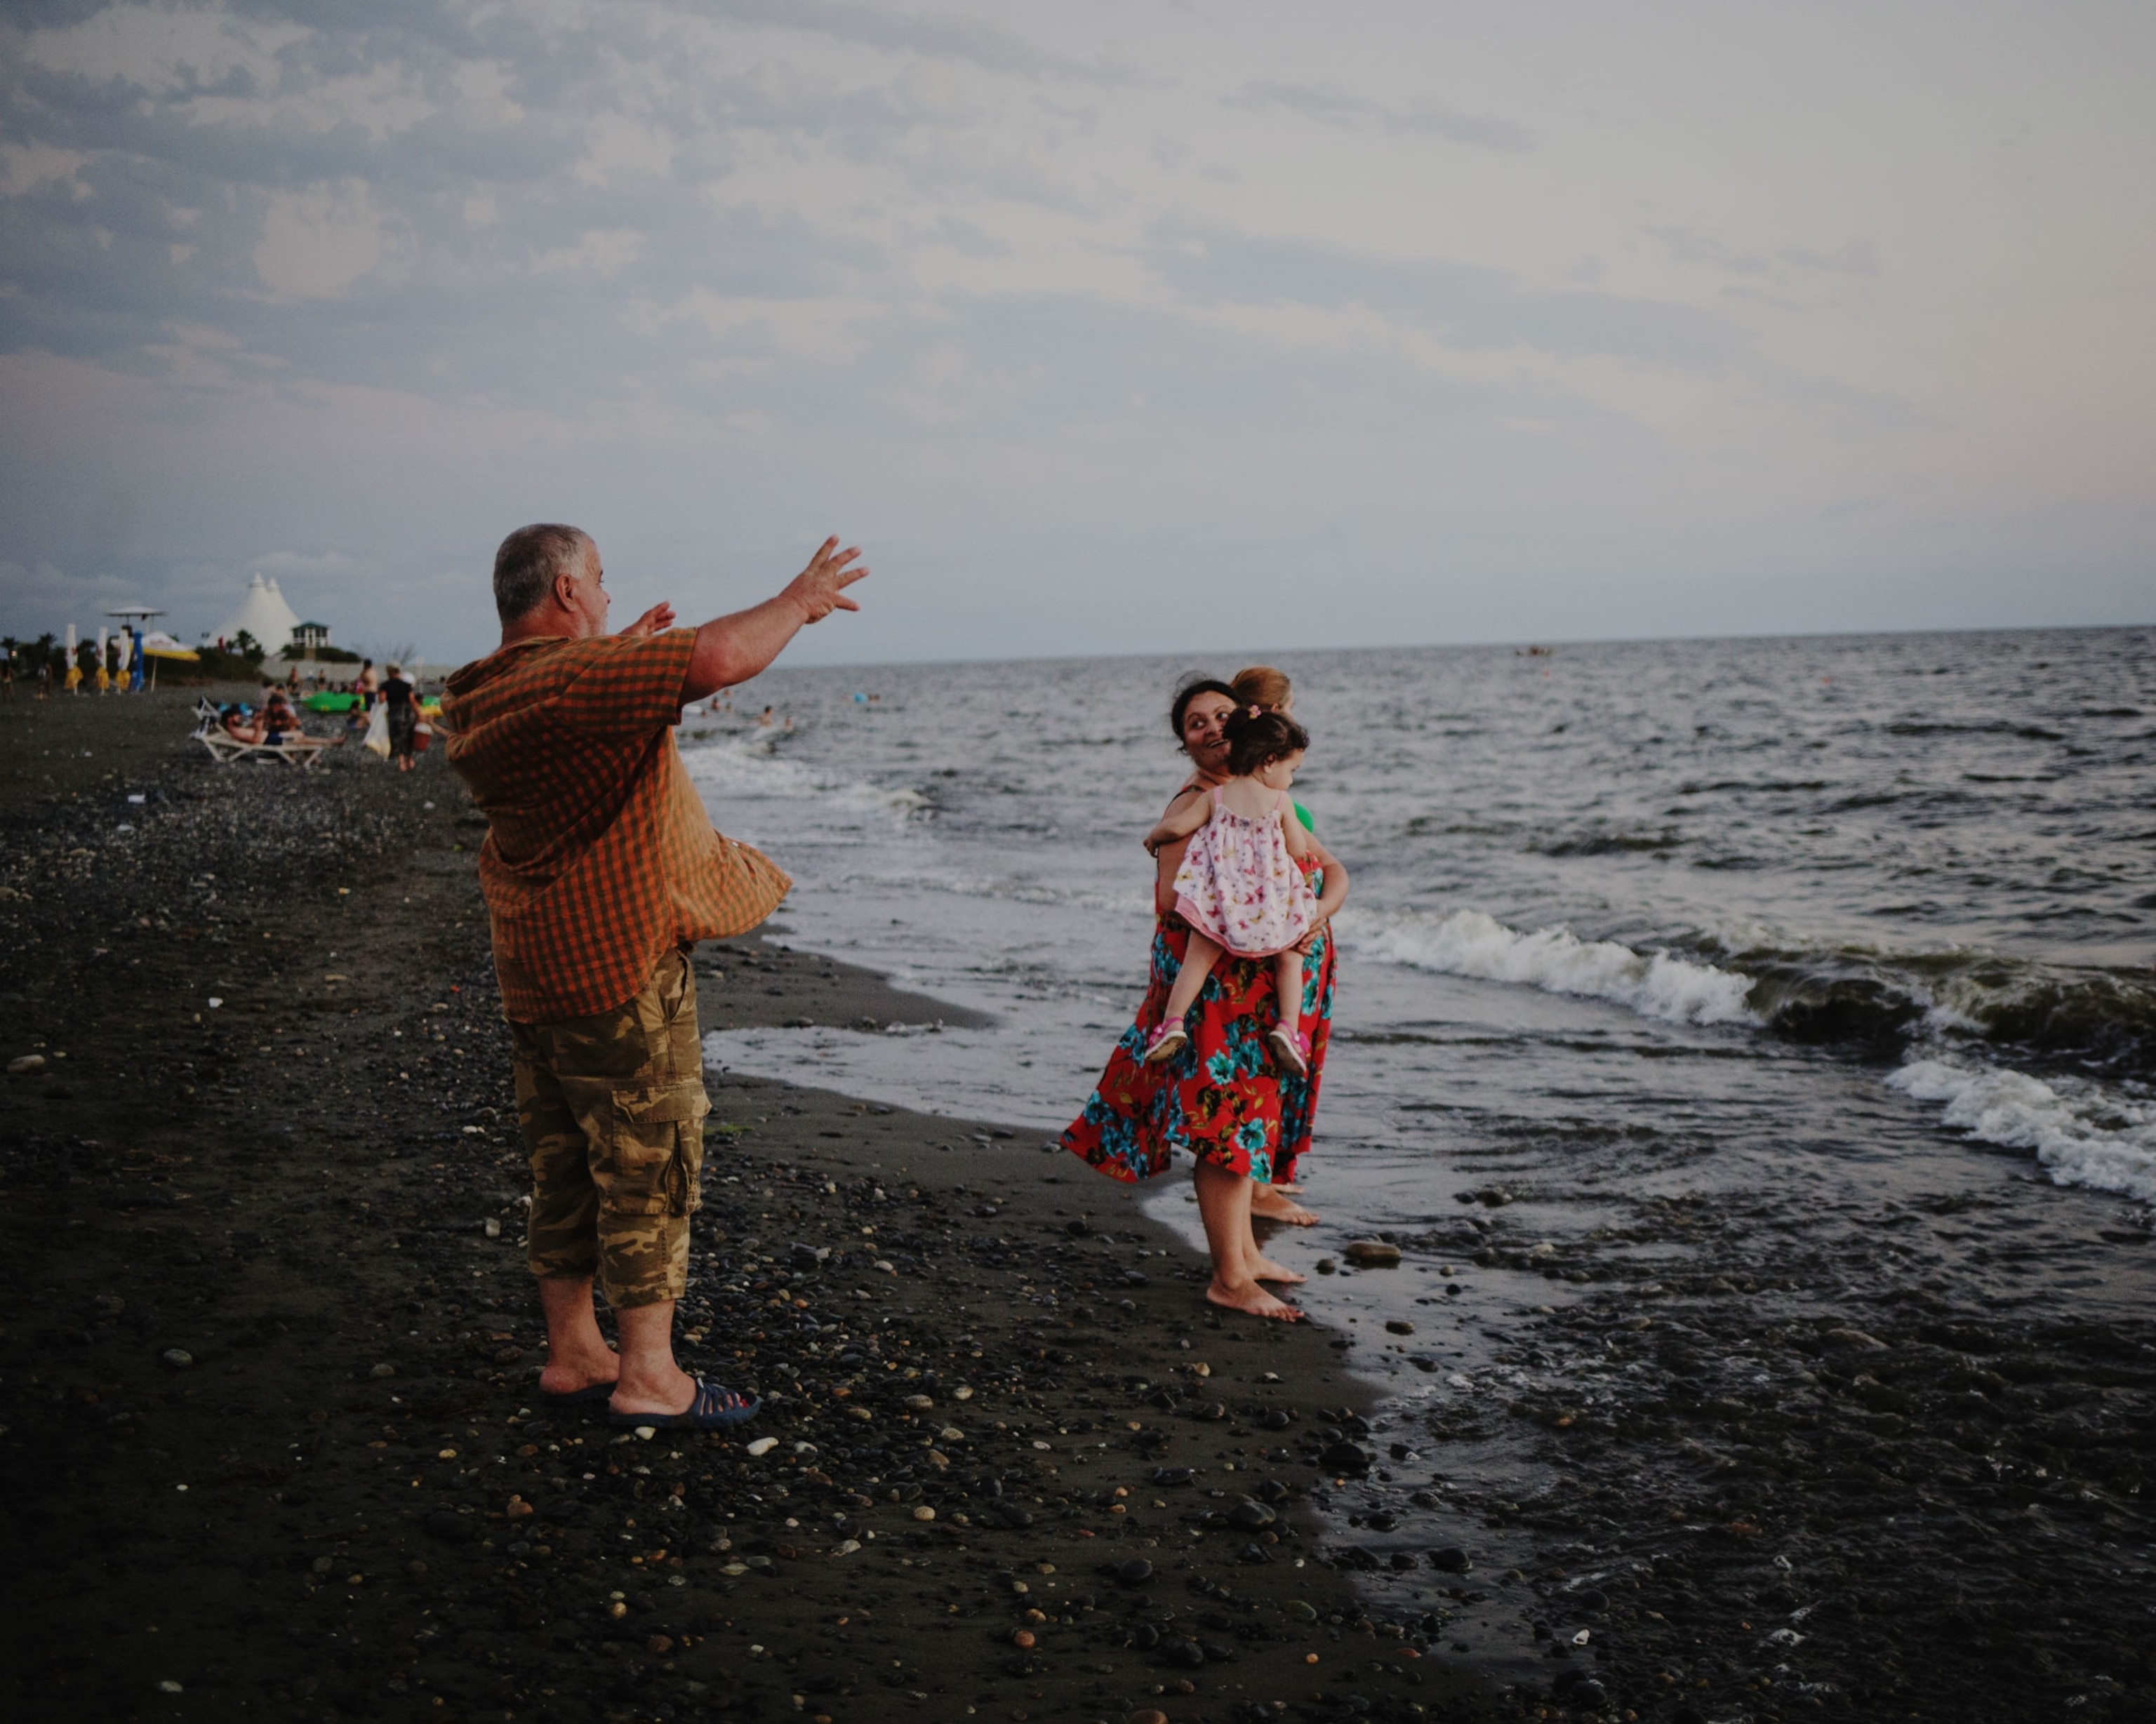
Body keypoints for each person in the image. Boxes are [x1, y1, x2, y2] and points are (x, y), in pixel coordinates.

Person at [442, 521, 867, 1429]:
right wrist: (799, 599)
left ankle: (573, 1354)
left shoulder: (480, 695)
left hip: (536, 967)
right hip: (615, 964)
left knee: (562, 1165)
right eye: (597, 580)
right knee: (648, 1165)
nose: (603, 593)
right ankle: (649, 1377)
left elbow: (568, 707)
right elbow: (714, 659)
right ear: (563, 593)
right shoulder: (572, 680)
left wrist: (618, 651)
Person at [1062, 676, 1349, 1319]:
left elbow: (1330, 867)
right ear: (1185, 743)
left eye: (1221, 714)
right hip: (1217, 987)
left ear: (1247, 721)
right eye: (1196, 723)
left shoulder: (1261, 795)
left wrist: (1313, 913)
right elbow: (1170, 901)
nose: (1212, 727)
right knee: (1225, 1121)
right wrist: (1254, 912)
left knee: (1252, 1114)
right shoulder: (1200, 800)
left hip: (1258, 980)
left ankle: (1246, 1256)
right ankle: (1228, 1275)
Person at [1140, 706, 1319, 1075]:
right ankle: (1288, 1027)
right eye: (1292, 770)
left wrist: (1154, 835)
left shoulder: (1216, 798)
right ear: (1269, 762)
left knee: (1199, 955)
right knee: (1290, 957)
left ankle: (1172, 1022)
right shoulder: (1281, 802)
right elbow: (1299, 850)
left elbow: (1176, 828)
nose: (1291, 780)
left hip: (1221, 901)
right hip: (1269, 906)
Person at [381, 662, 420, 773]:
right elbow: (412, 700)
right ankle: (410, 761)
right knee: (409, 736)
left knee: (397, 738)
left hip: (395, 714)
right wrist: (420, 714)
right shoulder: (406, 685)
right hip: (408, 713)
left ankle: (401, 763)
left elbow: (382, 699)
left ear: (390, 672)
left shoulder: (386, 685)